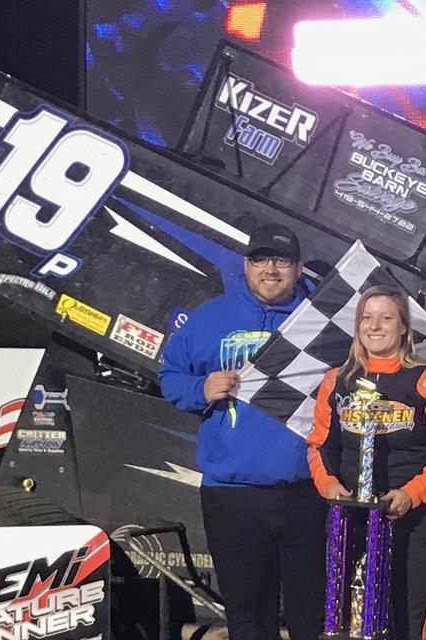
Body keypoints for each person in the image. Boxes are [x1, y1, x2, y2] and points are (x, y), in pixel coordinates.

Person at [159, 222, 324, 640]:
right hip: (232, 496)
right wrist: (201, 388)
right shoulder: (211, 316)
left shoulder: (322, 321)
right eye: (261, 259)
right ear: (246, 265)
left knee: (315, 617)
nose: (271, 269)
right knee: (248, 616)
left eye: (282, 260)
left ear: (299, 267)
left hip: (309, 493)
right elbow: (170, 374)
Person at [306, 285, 426, 640]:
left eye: (386, 318)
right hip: (349, 520)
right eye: (366, 318)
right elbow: (318, 446)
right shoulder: (335, 381)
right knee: (346, 622)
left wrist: (411, 494)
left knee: (411, 622)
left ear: (403, 328)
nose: (375, 326)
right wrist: (330, 488)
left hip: (411, 521)